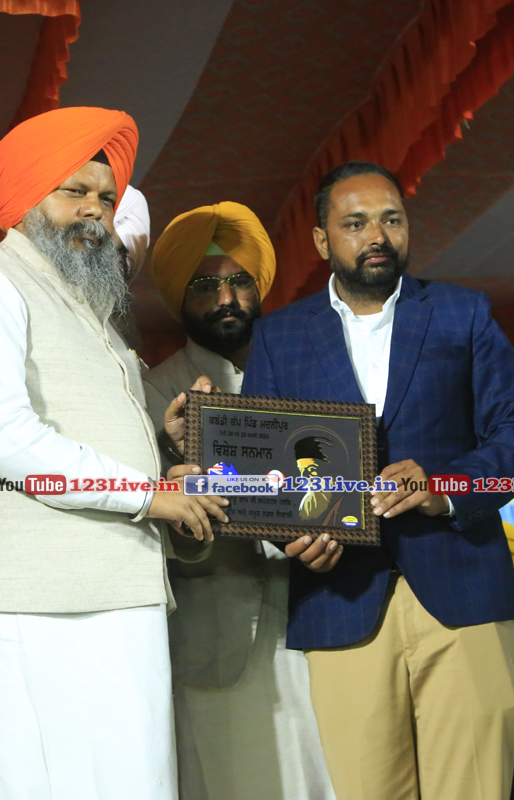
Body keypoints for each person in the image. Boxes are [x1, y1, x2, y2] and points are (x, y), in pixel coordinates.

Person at [0, 106, 227, 800]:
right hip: (24, 602)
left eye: (107, 199)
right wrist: (148, 494)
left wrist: (163, 463)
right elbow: (1, 438)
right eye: (74, 191)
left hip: (114, 594)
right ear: (26, 197)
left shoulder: (91, 315)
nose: (94, 211)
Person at [240, 161, 514, 800]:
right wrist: (292, 535)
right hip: (339, 601)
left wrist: (448, 488)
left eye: (391, 219)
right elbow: (260, 472)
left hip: (464, 591)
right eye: (355, 223)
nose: (377, 236)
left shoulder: (461, 312)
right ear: (322, 240)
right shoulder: (278, 337)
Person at [144, 202, 335, 800]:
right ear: (180, 299)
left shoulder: (306, 375)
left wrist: (337, 528)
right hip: (220, 635)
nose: (226, 298)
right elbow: (148, 525)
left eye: (239, 282)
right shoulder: (153, 391)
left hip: (318, 621)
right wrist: (182, 469)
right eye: (205, 285)